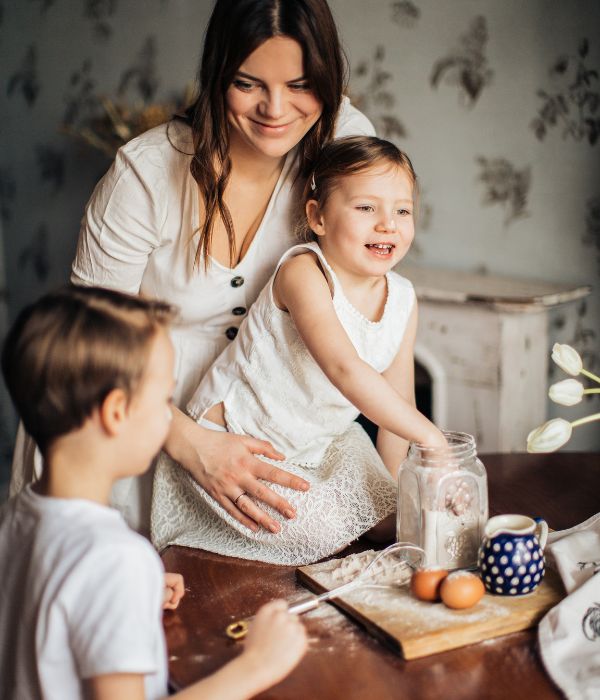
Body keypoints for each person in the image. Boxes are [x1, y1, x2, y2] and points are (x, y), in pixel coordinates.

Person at [10, 0, 376, 539]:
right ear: (217, 73)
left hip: (252, 424)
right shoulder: (146, 174)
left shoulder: (341, 142)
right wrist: (191, 442)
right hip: (121, 428)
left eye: (300, 85)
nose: (275, 109)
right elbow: (84, 351)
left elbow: (370, 280)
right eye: (248, 84)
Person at [0, 286, 307, 700]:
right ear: (115, 413)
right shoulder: (116, 560)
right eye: (163, 400)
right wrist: (256, 667)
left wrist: (123, 597)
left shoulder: (17, 514)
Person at [151, 136, 447, 565]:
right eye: (366, 208)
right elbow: (345, 369)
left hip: (318, 443)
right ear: (318, 217)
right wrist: (432, 438)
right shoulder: (304, 272)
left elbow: (397, 406)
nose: (388, 224)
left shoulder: (403, 298)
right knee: (325, 533)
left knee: (393, 520)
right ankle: (206, 525)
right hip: (236, 442)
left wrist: (395, 495)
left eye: (403, 210)